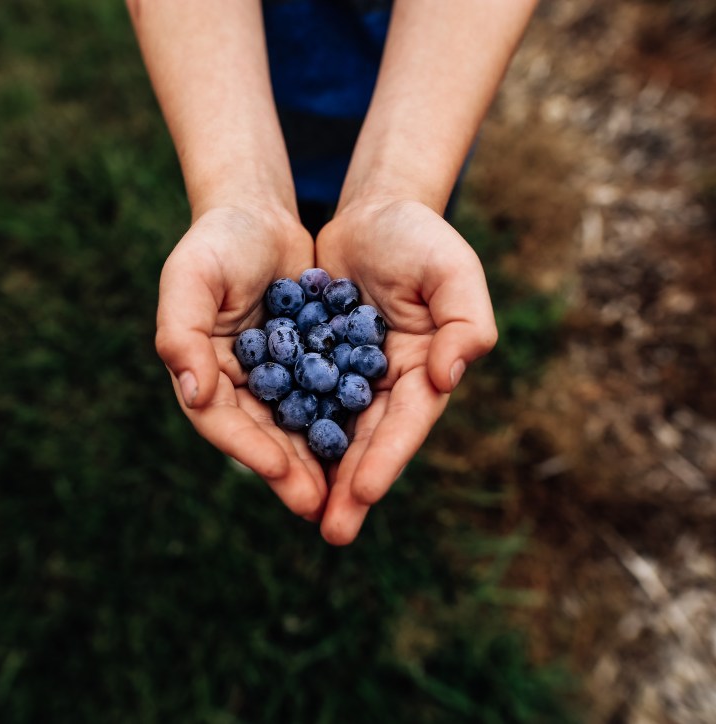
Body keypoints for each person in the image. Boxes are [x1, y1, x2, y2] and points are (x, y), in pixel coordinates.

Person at [128, 0, 537, 545]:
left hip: (429, 108)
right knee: (282, 241)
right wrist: (238, 191)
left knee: (402, 241)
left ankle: (390, 205)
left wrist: (400, 190)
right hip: (230, 89)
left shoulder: (330, 341)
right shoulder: (315, 343)